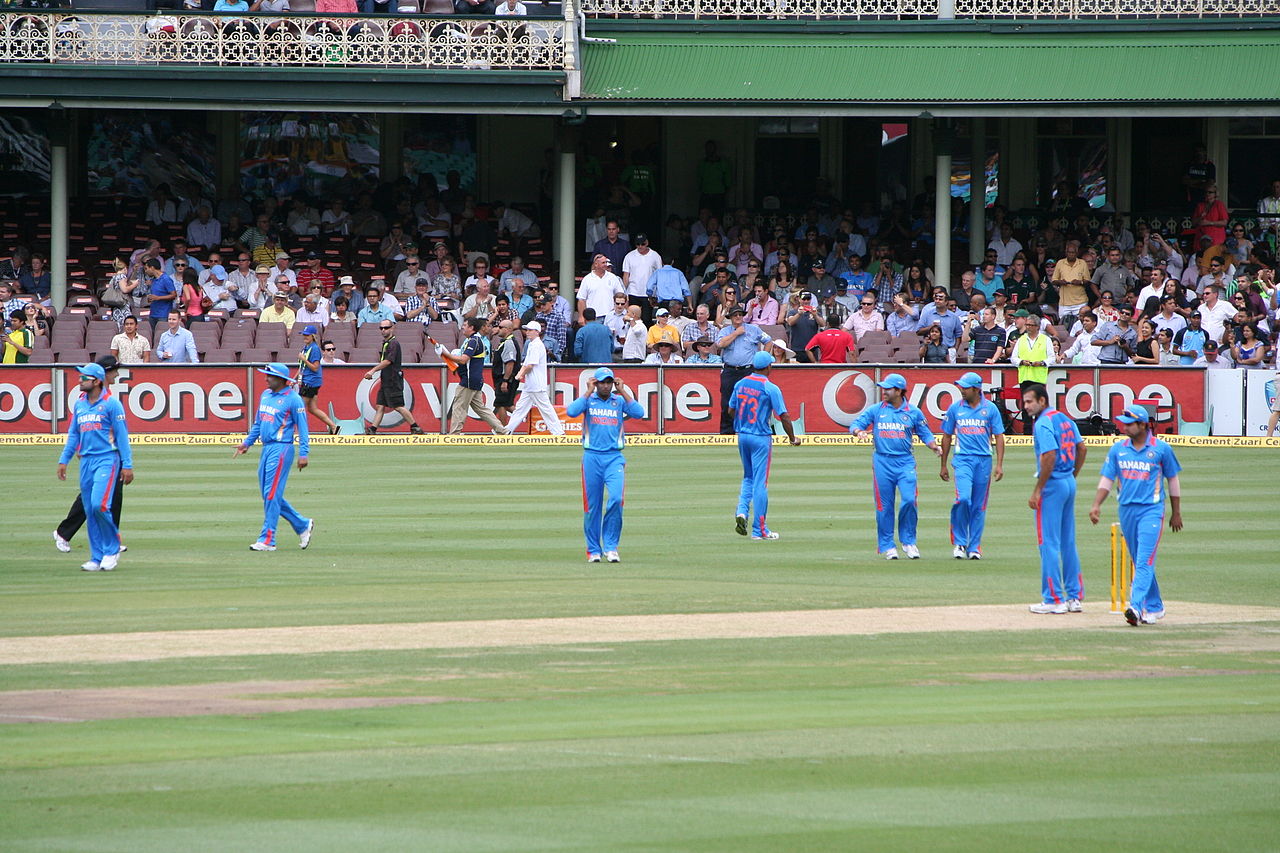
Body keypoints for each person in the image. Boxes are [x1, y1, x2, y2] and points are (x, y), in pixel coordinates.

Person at [1088, 406, 1184, 625]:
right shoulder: (1118, 449)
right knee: (1140, 560)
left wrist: (1176, 512)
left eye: (1129, 424)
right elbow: (1107, 479)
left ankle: (1136, 607)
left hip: (1151, 510)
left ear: (1143, 425)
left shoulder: (1161, 449)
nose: (1124, 427)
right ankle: (1156, 605)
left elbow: (1173, 480)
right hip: (1126, 510)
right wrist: (1096, 505)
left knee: (1143, 561)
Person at [850, 373, 941, 560]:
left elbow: (925, 433)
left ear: (899, 391)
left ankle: (909, 541)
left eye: (888, 389)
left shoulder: (913, 412)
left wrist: (933, 446)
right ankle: (888, 545)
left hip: (905, 461)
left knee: (909, 500)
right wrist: (859, 431)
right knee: (884, 506)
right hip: (882, 462)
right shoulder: (876, 410)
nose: (884, 391)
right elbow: (856, 424)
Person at [56, 362, 133, 572]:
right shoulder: (80, 404)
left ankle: (112, 549)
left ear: (97, 381)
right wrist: (64, 459)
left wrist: (128, 464)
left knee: (100, 504)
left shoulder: (111, 404)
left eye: (84, 378)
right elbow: (74, 434)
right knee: (90, 509)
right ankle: (96, 556)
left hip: (107, 459)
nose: (80, 381)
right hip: (87, 461)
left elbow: (122, 437)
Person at [565, 367, 645, 562]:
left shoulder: (618, 402)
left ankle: (611, 547)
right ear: (595, 383)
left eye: (609, 382)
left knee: (616, 499)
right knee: (592, 507)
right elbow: (571, 411)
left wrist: (624, 391)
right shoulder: (589, 401)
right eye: (602, 382)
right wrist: (587, 391)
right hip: (592, 457)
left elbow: (639, 413)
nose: (606, 385)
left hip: (614, 458)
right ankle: (593, 550)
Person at [233, 363, 315, 552]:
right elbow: (258, 423)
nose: (266, 378)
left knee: (271, 494)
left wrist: (304, 453)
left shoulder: (293, 399)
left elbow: (303, 428)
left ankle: (268, 539)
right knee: (269, 495)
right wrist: (247, 443)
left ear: (280, 379)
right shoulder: (266, 395)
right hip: (266, 448)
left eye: (269, 375)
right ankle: (302, 524)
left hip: (282, 449)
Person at [1023, 382, 1087, 614]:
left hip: (1052, 485)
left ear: (1042, 400)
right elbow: (1082, 449)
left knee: (1048, 543)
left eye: (1030, 401)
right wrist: (1072, 475)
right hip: (1068, 482)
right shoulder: (1065, 419)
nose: (1026, 406)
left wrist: (1038, 489)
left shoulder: (1043, 423)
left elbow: (1049, 455)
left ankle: (1053, 599)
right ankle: (1074, 597)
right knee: (1067, 541)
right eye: (1025, 402)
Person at [732, 351, 800, 541]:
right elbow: (784, 416)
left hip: (743, 435)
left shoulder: (740, 384)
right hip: (760, 437)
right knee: (761, 482)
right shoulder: (770, 388)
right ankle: (759, 530)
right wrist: (792, 438)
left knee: (748, 477)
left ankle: (741, 511)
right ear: (768, 367)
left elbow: (731, 409)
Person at [939, 372, 1006, 559]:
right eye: (960, 386)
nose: (961, 390)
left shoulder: (991, 409)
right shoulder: (955, 409)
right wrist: (943, 464)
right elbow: (946, 436)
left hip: (984, 460)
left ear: (976, 389)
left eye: (965, 387)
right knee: (963, 499)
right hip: (962, 460)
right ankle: (960, 543)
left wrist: (999, 464)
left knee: (978, 506)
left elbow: (999, 436)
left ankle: (974, 546)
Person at [715, 306, 773, 434]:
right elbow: (720, 344)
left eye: (740, 314)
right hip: (730, 370)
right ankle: (727, 433)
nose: (738, 317)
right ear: (730, 317)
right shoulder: (725, 331)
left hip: (748, 370)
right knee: (727, 402)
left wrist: (762, 358)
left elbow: (769, 341)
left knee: (751, 400)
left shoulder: (754, 329)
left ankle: (750, 430)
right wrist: (736, 333)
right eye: (735, 315)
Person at [446, 317, 506, 435]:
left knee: (459, 407)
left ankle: (454, 434)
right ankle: (503, 430)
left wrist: (445, 354)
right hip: (474, 379)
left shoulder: (474, 341)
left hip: (468, 380)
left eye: (465, 325)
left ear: (472, 328)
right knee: (481, 409)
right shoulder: (475, 340)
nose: (463, 327)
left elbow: (463, 360)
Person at [503, 320, 564, 436]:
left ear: (537, 332)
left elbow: (530, 365)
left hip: (536, 384)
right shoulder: (532, 344)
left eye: (530, 330)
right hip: (530, 384)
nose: (527, 332)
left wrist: (519, 375)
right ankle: (506, 431)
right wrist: (520, 374)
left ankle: (559, 433)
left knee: (546, 409)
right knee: (520, 409)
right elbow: (526, 364)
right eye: (527, 330)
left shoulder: (536, 345)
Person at [364, 321, 424, 435]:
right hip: (386, 380)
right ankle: (373, 429)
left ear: (392, 328)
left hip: (392, 380)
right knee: (380, 405)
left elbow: (387, 361)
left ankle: (415, 427)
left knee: (398, 406)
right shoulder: (386, 343)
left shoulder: (393, 344)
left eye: (386, 328)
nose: (383, 330)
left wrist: (372, 370)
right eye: (381, 328)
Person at [296, 325, 338, 436]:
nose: (304, 337)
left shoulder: (314, 349)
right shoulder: (305, 347)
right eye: (304, 335)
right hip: (308, 380)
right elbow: (302, 367)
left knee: (300, 408)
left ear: (313, 336)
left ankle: (299, 433)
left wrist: (304, 359)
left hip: (310, 382)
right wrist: (295, 378)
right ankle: (334, 426)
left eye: (307, 335)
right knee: (312, 408)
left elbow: (315, 367)